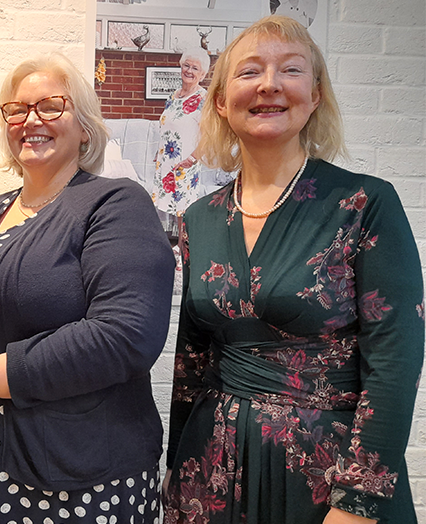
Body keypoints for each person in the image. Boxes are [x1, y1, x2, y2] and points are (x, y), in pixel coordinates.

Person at [163, 16, 422, 524]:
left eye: (290, 70)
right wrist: (176, 465)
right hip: (211, 466)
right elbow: (191, 362)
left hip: (326, 476)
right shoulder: (199, 217)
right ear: (220, 101)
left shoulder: (364, 203)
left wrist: (358, 504)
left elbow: (394, 363)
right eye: (249, 72)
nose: (268, 85)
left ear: (316, 95)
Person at [0, 52, 175, 523]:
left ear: (84, 126)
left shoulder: (114, 203)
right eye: (17, 110)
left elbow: (124, 335)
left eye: (50, 106)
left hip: (72, 473)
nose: (31, 120)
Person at [149, 47, 210, 238]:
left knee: (184, 212)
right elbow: (168, 126)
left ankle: (186, 256)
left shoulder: (203, 98)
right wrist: (158, 154)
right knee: (165, 206)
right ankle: (171, 252)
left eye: (195, 68)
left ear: (203, 74)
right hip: (166, 161)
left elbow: (210, 134)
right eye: (186, 65)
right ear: (180, 66)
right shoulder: (173, 96)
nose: (189, 71)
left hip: (185, 164)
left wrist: (193, 158)